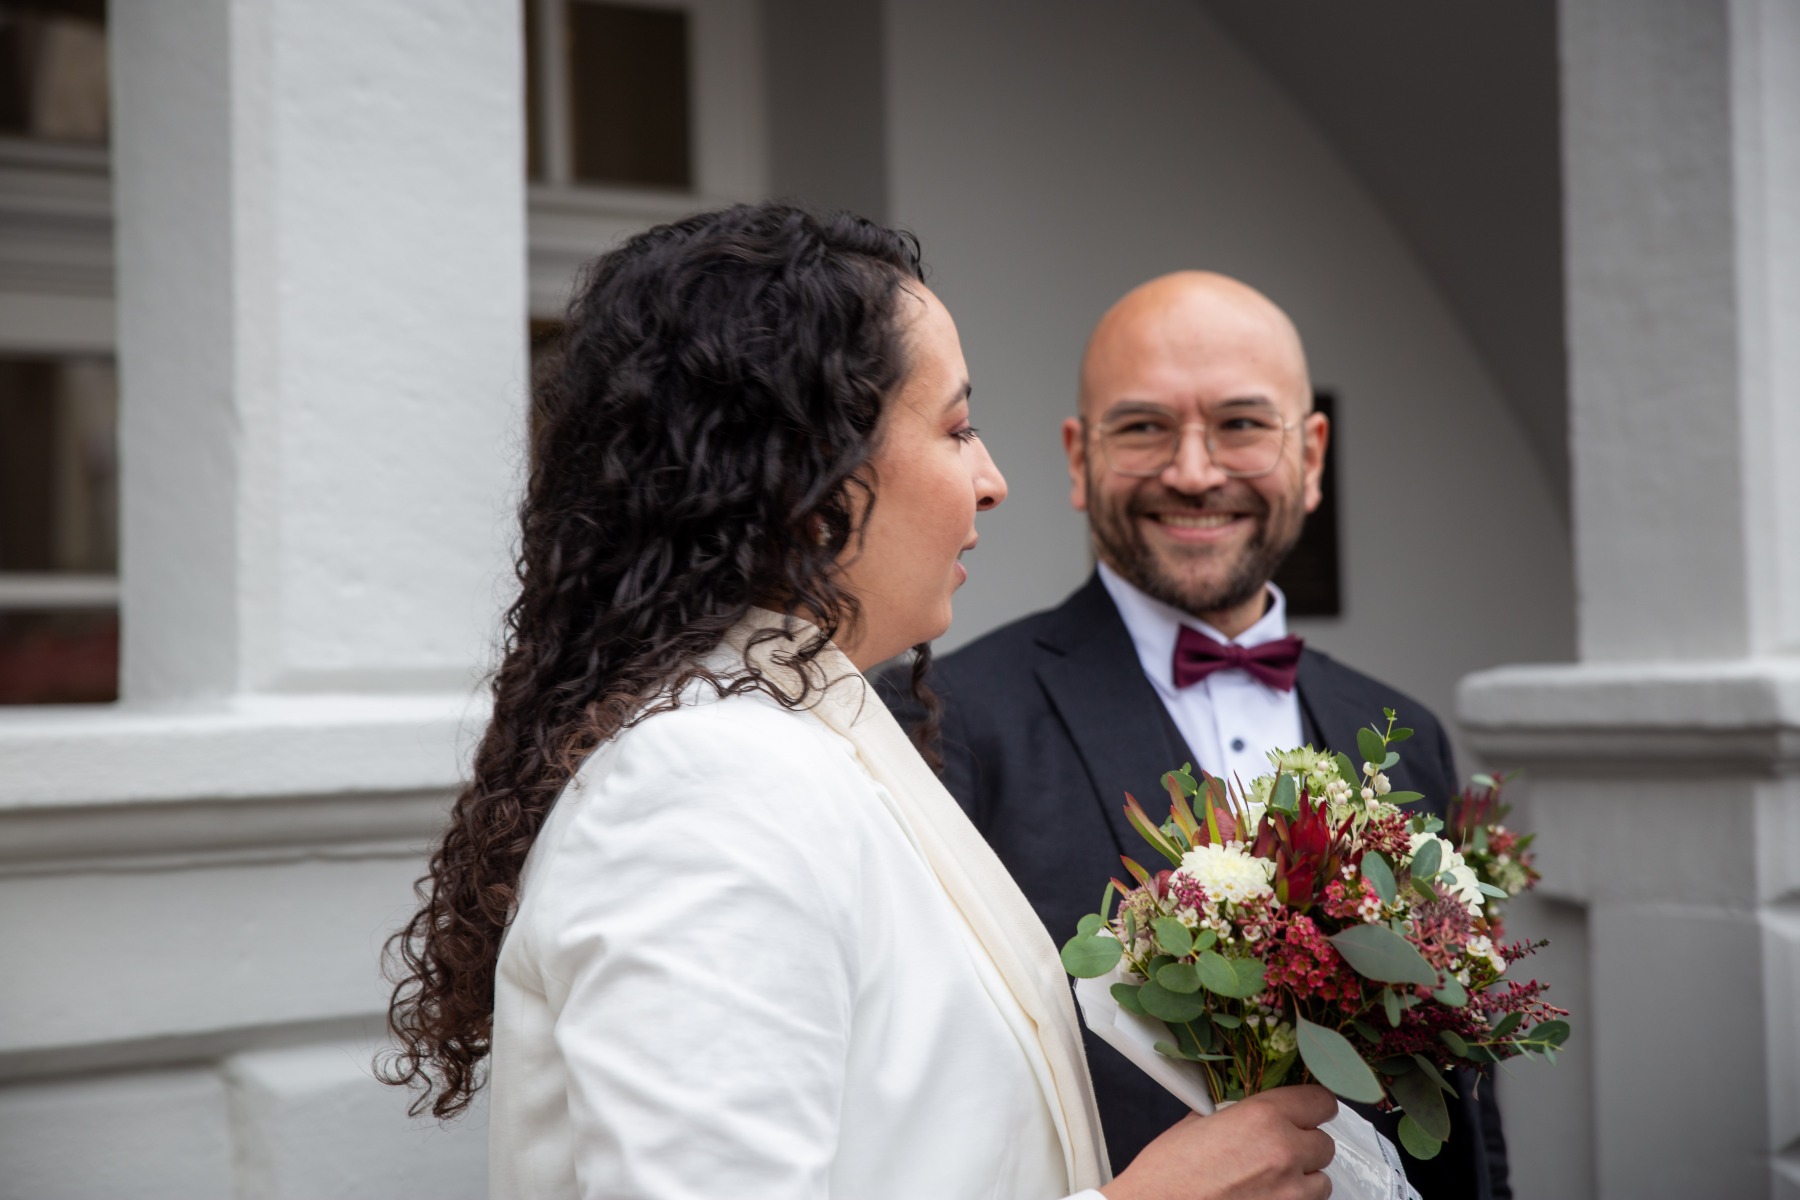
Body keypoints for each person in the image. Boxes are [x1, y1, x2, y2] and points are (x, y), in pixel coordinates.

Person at [379, 210, 1340, 1200]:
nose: (992, 482)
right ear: (808, 474)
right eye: (956, 429)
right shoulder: (702, 790)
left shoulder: (809, 739)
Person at [886, 271, 1512, 1199]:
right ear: (1078, 458)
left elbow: (1462, 1103)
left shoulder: (1406, 734)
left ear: (1311, 455)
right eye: (1143, 427)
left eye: (1240, 424)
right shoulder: (945, 719)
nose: (1193, 471)